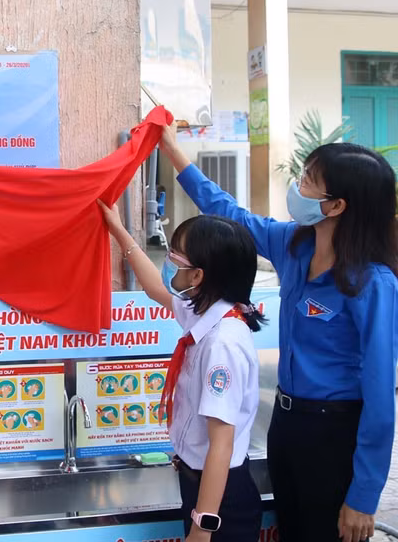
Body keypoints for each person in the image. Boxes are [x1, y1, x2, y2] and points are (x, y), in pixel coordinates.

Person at [162, 130, 398, 542]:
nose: (297, 185)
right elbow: (230, 214)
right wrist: (173, 153)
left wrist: (364, 495)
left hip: (333, 433)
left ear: (337, 205)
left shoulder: (371, 284)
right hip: (286, 425)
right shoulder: (295, 245)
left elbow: (380, 398)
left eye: (308, 179)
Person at [99, 201, 264, 541]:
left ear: (198, 276)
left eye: (175, 257)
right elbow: (156, 289)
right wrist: (117, 229)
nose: (169, 261)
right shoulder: (205, 311)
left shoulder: (223, 344)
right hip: (199, 484)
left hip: (220, 502)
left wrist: (203, 528)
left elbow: (221, 443)